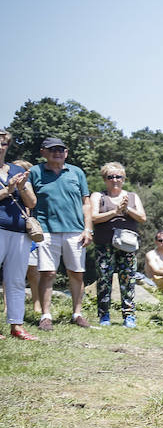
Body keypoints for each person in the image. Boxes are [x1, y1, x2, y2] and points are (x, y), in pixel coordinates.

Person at [30, 137, 94, 329]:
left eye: (61, 150)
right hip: (46, 230)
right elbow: (28, 200)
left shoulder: (76, 172)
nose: (57, 153)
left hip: (75, 230)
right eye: (52, 150)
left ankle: (77, 313)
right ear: (43, 152)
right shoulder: (35, 172)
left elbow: (86, 203)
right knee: (48, 273)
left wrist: (88, 228)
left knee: (76, 273)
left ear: (66, 152)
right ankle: (45, 316)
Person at [90, 162, 146, 328]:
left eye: (118, 177)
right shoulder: (98, 196)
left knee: (128, 279)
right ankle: (104, 315)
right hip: (104, 243)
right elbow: (93, 217)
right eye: (111, 177)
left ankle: (129, 316)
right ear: (105, 179)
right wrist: (114, 212)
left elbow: (142, 218)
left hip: (127, 245)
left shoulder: (132, 197)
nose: (115, 180)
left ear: (124, 179)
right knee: (104, 279)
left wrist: (127, 209)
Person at [0, 132, 39, 340]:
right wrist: (9, 189)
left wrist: (22, 186)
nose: (1, 147)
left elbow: (32, 203)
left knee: (16, 280)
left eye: (4, 143)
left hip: (19, 232)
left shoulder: (17, 169)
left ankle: (17, 325)